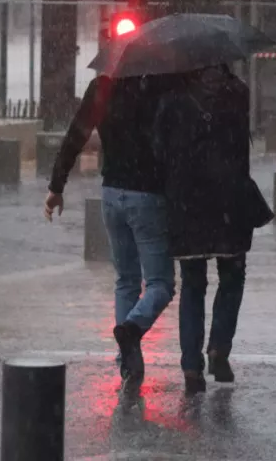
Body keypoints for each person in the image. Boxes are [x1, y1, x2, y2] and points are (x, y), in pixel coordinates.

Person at [45, 74, 177, 391]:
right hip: (147, 195)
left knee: (126, 279)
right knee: (161, 284)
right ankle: (131, 329)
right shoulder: (159, 85)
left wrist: (56, 186)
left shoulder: (103, 85)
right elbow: (174, 141)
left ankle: (127, 362)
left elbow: (76, 135)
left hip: (111, 193)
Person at [154, 64, 273, 394]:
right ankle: (219, 346)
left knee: (193, 283)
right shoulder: (238, 92)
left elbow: (159, 151)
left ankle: (191, 366)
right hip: (229, 202)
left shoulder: (172, 99)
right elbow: (241, 149)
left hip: (187, 204)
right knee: (233, 276)